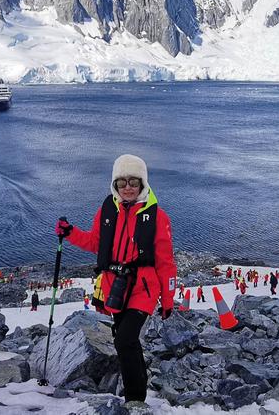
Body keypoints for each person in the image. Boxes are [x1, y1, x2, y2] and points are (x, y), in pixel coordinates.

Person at [55, 154, 177, 406]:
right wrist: (70, 233)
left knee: (124, 339)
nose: (128, 188)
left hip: (143, 287)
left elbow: (166, 263)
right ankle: (139, 384)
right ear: (115, 185)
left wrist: (168, 299)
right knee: (125, 339)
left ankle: (135, 400)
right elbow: (97, 244)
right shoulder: (108, 209)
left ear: (143, 183)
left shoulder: (157, 217)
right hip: (115, 287)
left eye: (134, 181)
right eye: (122, 183)